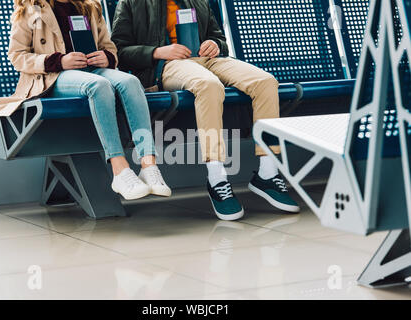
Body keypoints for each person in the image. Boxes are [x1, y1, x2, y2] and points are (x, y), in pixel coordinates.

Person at [111, 0, 300, 220]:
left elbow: (219, 38)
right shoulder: (131, 2)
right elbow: (120, 52)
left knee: (266, 82)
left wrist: (215, 44)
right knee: (209, 86)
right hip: (166, 66)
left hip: (208, 61)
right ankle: (217, 177)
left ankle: (268, 173)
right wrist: (157, 52)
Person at [0, 0, 171, 200]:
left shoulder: (89, 6)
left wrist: (107, 57)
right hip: (54, 76)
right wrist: (58, 61)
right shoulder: (31, 9)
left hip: (92, 70)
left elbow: (108, 47)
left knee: (130, 82)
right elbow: (16, 55)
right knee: (99, 86)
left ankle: (148, 164)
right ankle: (119, 168)